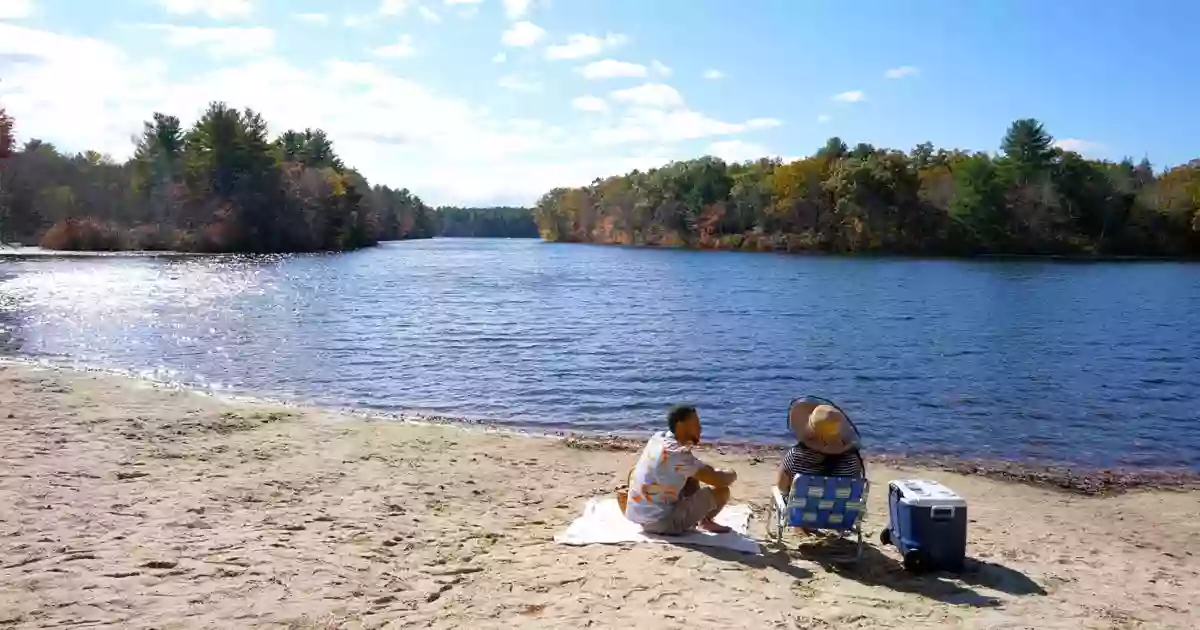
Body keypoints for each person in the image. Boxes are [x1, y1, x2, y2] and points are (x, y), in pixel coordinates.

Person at [619, 405, 738, 535]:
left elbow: (695, 468)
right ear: (681, 425)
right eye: (696, 424)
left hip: (639, 515)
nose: (700, 429)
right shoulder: (677, 453)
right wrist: (732, 473)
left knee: (690, 476)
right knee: (721, 492)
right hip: (661, 522)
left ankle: (698, 516)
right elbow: (718, 480)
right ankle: (705, 521)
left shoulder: (658, 438)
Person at [776, 398, 865, 496]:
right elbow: (856, 492)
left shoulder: (795, 457)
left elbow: (782, 489)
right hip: (841, 511)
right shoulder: (852, 461)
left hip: (802, 510)